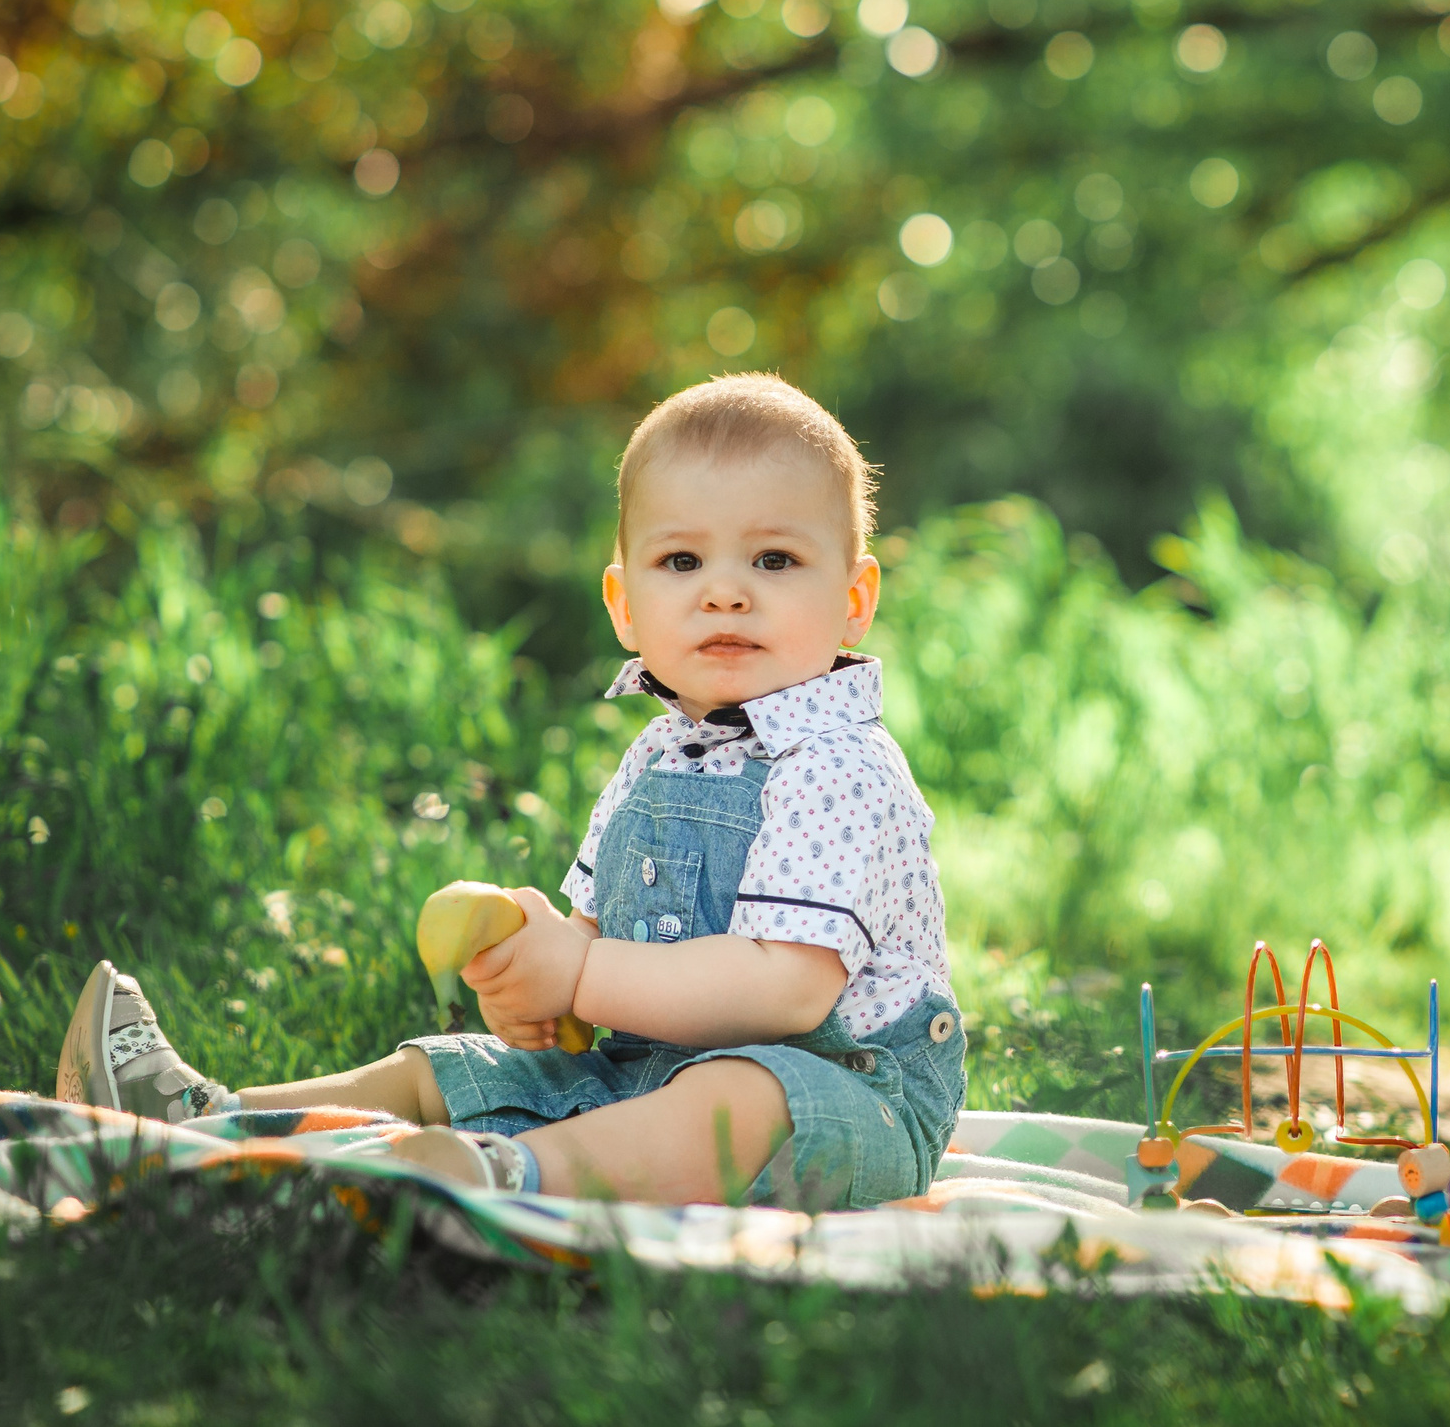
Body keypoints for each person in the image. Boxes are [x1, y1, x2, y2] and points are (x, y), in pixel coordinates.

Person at [56, 374, 963, 1207]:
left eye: (773, 561)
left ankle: (506, 1176)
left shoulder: (838, 764)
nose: (724, 592)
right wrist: (542, 982)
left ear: (854, 597)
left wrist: (582, 971)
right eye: (682, 562)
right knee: (445, 1070)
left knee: (736, 1097)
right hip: (649, 1067)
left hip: (849, 1092)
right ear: (623, 604)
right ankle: (217, 1121)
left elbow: (786, 993)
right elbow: (604, 942)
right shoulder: (658, 754)